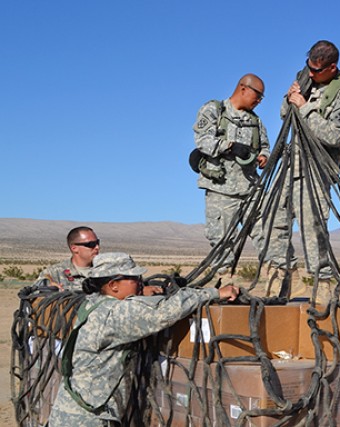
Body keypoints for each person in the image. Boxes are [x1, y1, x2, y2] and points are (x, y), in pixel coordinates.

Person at [48, 252, 239, 426]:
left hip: (72, 411)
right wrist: (214, 293)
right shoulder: (115, 315)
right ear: (113, 285)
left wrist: (141, 293)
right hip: (88, 419)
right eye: (134, 279)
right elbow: (164, 312)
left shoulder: (94, 303)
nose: (140, 283)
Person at [265, 40, 340, 301]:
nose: (311, 74)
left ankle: (322, 289)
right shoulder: (306, 80)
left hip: (316, 167)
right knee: (272, 219)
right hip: (291, 162)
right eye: (308, 67)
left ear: (332, 68)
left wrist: (304, 107)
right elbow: (285, 115)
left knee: (312, 228)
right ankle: (285, 280)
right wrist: (290, 99)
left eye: (317, 70)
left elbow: (334, 135)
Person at [191, 73, 270, 284]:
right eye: (258, 95)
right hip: (221, 188)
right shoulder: (214, 110)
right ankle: (226, 282)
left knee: (267, 231)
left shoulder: (255, 121)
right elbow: (203, 141)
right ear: (243, 89)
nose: (259, 101)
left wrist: (263, 157)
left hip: (251, 189)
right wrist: (230, 146)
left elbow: (264, 146)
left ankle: (273, 277)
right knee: (222, 239)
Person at [33, 226, 101, 291]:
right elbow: (32, 296)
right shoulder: (54, 273)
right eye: (91, 244)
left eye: (97, 242)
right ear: (74, 248)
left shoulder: (105, 272)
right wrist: (48, 291)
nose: (97, 247)